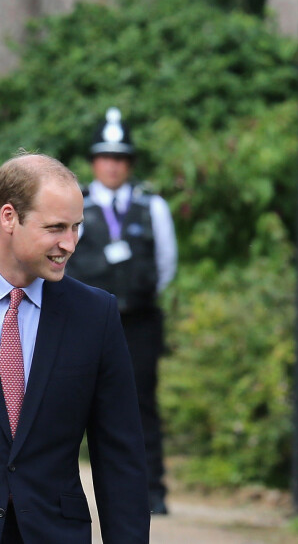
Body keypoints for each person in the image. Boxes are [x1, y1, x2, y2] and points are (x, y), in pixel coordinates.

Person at [0, 152, 150, 543]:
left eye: (76, 227)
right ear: (9, 217)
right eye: (55, 228)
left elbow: (120, 457)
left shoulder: (95, 314)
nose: (69, 243)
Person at [66, 107, 177, 515]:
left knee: (141, 404)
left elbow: (166, 264)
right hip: (83, 322)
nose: (112, 165)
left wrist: (135, 296)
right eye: (105, 157)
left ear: (129, 163)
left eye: (120, 157)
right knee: (73, 403)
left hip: (138, 322)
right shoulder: (76, 206)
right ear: (94, 161)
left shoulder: (153, 207)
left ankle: (152, 492)